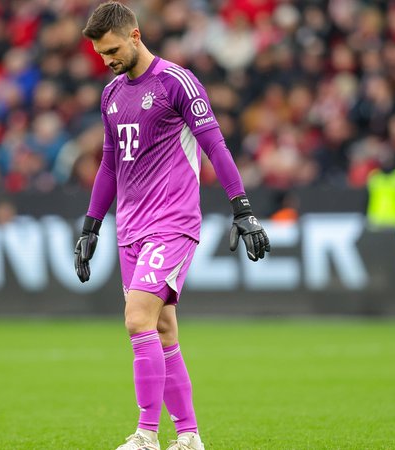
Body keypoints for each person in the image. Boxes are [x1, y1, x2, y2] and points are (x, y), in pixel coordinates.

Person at [73, 3, 270, 450]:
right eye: (102, 54)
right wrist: (91, 226)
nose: (108, 61)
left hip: (172, 223)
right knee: (162, 329)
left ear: (136, 35)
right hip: (130, 230)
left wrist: (242, 208)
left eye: (113, 49)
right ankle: (188, 437)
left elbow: (214, 145)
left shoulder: (176, 82)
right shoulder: (111, 94)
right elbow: (108, 166)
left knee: (136, 319)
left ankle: (145, 435)